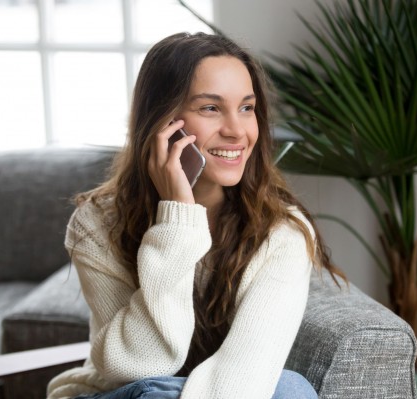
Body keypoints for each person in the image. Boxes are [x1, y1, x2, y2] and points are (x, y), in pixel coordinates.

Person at [47, 32, 344, 399]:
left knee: (290, 389)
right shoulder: (96, 222)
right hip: (115, 392)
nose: (237, 131)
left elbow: (243, 381)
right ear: (162, 122)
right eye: (210, 108)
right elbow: (141, 365)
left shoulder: (282, 232)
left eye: (247, 108)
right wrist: (178, 220)